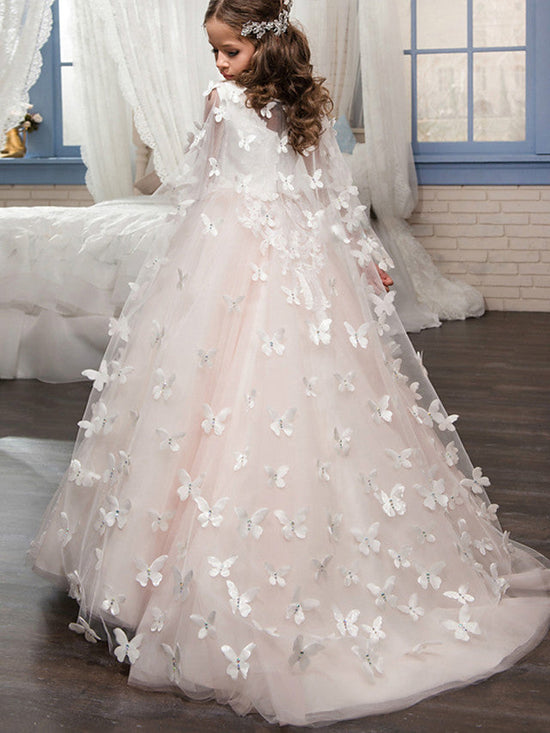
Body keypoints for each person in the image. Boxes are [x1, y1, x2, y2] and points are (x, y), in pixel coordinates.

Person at [30, 0, 550, 726]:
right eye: (214, 52)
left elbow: (330, 191)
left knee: (307, 400)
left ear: (265, 47)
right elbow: (201, 185)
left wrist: (367, 257)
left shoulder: (300, 108)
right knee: (206, 397)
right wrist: (181, 259)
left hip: (293, 261)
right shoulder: (226, 102)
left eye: (231, 52)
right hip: (231, 256)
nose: (220, 65)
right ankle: (161, 568)